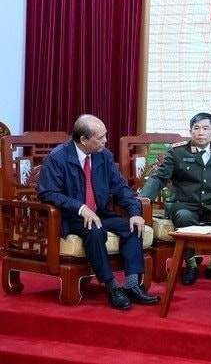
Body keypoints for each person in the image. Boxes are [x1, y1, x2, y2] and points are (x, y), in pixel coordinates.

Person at [37, 114, 159, 310]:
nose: (105, 141)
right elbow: (48, 193)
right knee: (94, 230)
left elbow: (120, 188)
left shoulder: (104, 155)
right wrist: (80, 207)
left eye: (105, 136)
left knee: (132, 226)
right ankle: (112, 287)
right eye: (100, 137)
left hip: (99, 212)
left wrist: (135, 211)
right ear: (83, 140)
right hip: (69, 216)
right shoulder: (58, 157)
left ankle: (132, 285)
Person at [139, 112, 211, 286]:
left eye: (205, 128)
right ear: (190, 131)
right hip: (184, 206)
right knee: (185, 218)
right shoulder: (177, 153)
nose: (200, 133)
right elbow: (159, 178)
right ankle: (192, 265)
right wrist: (142, 200)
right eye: (196, 128)